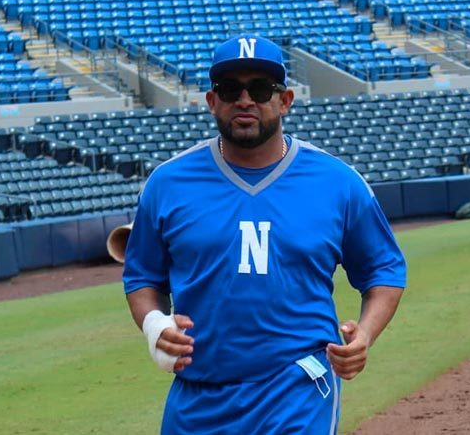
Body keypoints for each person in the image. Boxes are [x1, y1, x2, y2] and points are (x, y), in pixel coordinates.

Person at [122, 34, 407, 434]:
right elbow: (142, 277)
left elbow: (383, 269)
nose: (244, 100)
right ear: (211, 101)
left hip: (297, 387)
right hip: (198, 392)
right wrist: (155, 324)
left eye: (259, 88)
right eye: (229, 89)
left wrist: (365, 334)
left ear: (285, 100)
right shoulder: (168, 183)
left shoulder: (337, 182)